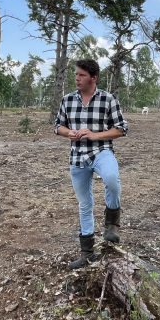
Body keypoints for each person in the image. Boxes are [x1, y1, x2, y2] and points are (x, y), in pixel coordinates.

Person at [54, 59, 128, 269]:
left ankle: (112, 225)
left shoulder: (108, 99)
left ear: (93, 78)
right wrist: (69, 132)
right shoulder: (67, 100)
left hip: (101, 151)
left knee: (112, 180)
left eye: (81, 75)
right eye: (76, 74)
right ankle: (87, 253)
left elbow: (121, 129)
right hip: (77, 156)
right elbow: (58, 125)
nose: (77, 78)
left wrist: (95, 135)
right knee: (84, 205)